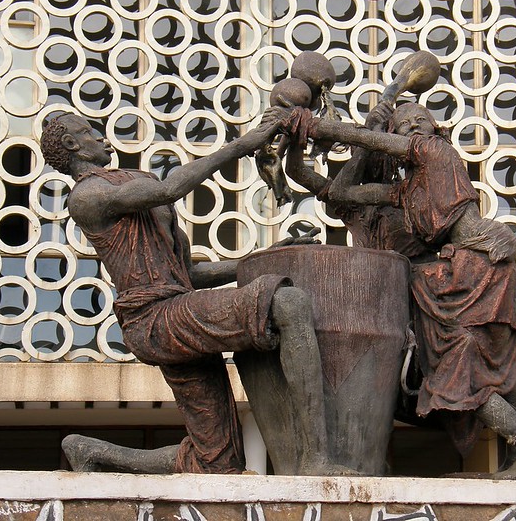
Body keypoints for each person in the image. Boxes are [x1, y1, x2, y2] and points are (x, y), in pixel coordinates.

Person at [39, 112, 345, 476]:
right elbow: (170, 190)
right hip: (154, 320)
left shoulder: (138, 180)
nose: (102, 137)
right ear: (72, 145)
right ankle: (316, 460)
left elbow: (190, 274)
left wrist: (264, 258)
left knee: (218, 464)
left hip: (177, 313)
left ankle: (92, 451)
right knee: (288, 304)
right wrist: (241, 146)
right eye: (89, 132)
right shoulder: (87, 196)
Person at [266, 101, 516, 479]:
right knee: (478, 367)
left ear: (435, 129)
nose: (414, 127)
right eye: (404, 125)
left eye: (422, 120)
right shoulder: (404, 192)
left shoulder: (434, 152)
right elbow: (339, 190)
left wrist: (313, 124)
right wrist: (298, 140)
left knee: (463, 374)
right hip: (447, 278)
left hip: (477, 265)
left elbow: (368, 140)